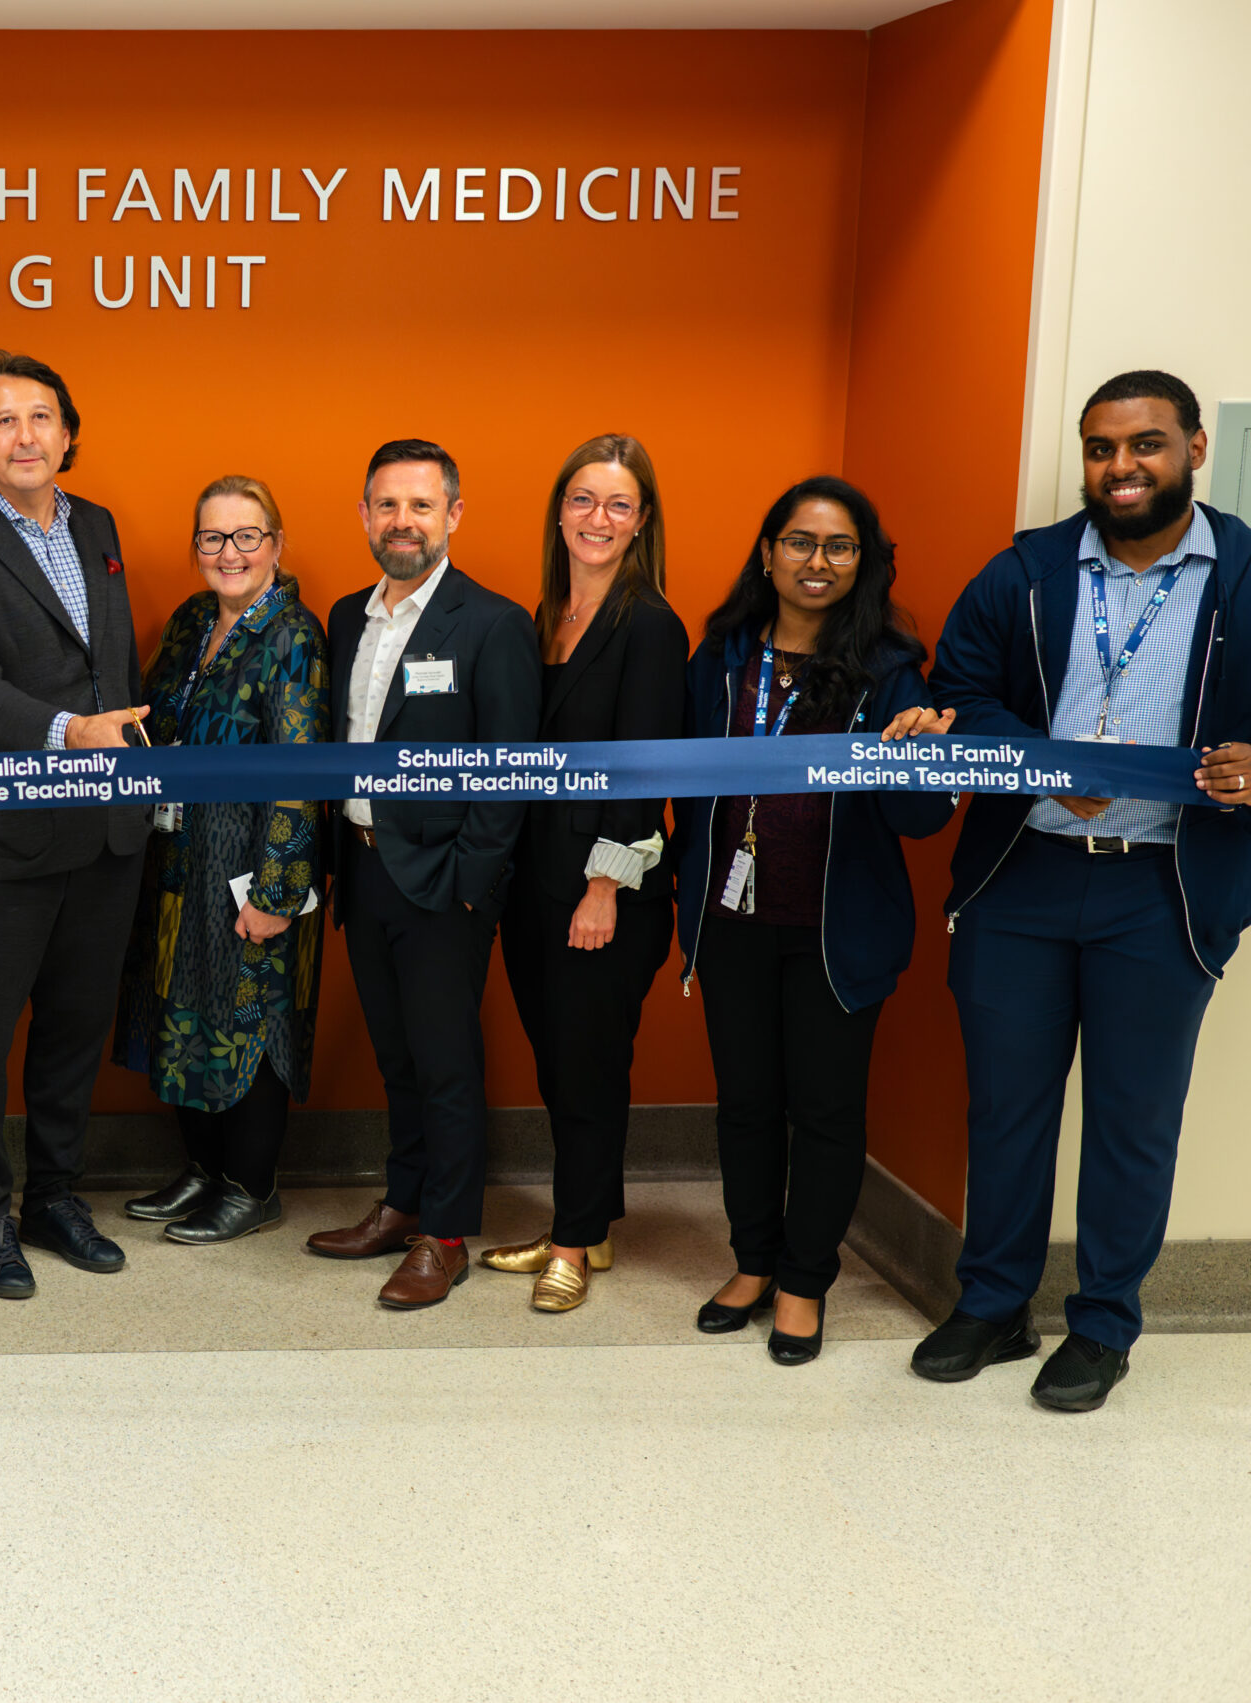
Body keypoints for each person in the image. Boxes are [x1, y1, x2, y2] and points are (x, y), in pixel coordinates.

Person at [919, 370, 1251, 1412]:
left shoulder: (1243, 571)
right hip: (1021, 878)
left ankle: (1103, 1323)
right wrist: (1043, 759)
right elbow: (956, 692)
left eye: (1145, 444)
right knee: (1007, 1108)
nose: (1121, 468)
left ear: (1194, 446)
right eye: (1101, 447)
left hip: (1162, 892)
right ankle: (994, 1301)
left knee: (1131, 1118)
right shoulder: (1024, 570)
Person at [674, 476, 955, 1365]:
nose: (817, 561)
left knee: (827, 1111)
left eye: (839, 547)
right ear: (767, 553)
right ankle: (753, 1262)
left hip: (838, 933)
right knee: (747, 1106)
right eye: (799, 542)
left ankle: (804, 1280)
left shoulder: (891, 666)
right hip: (732, 919)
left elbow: (921, 823)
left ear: (862, 562)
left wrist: (918, 760)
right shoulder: (719, 657)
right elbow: (674, 779)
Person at [0, 349, 147, 1301]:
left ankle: (55, 1196)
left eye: (42, 417)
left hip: (105, 836)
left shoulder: (101, 528)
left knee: (74, 1032)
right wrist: (68, 733)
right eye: (3, 421)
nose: (26, 435)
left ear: (68, 433)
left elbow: (109, 666)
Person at [307, 439, 541, 1310]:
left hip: (444, 882)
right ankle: (404, 1204)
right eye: (387, 506)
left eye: (420, 505)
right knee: (396, 1056)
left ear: (453, 515)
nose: (402, 522)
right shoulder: (345, 616)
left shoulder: (491, 623)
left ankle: (446, 1235)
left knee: (446, 1062)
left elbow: (510, 766)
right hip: (363, 872)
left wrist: (471, 882)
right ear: (365, 515)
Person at [482, 436, 686, 1311]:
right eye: (582, 501)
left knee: (590, 1064)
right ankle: (587, 1224)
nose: (597, 519)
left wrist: (604, 886)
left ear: (641, 521)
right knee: (560, 1064)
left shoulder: (649, 623)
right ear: (558, 513)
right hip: (534, 880)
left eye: (617, 504)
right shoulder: (545, 613)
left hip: (605, 890)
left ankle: (572, 1243)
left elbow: (644, 772)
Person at [113, 476, 327, 1244]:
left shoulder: (294, 636)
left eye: (246, 536)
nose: (229, 552)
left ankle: (252, 1184)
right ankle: (203, 1169)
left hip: (252, 865)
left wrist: (276, 889)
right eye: (213, 537)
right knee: (184, 1013)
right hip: (177, 859)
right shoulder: (189, 622)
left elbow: (304, 777)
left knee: (252, 1020)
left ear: (276, 543)